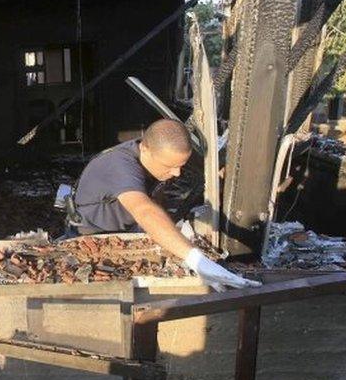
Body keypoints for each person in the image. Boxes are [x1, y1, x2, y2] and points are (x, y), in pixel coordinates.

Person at [67, 119, 259, 290]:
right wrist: (196, 260)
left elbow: (156, 202)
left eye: (180, 166)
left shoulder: (159, 161)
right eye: (169, 166)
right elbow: (144, 210)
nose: (176, 173)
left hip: (127, 234)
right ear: (144, 149)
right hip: (90, 239)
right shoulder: (119, 165)